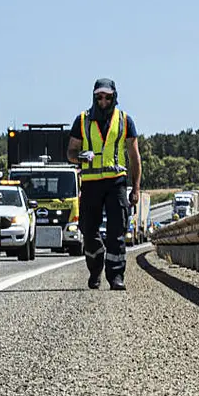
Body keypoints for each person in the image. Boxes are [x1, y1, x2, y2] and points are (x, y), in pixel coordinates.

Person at [67, 78, 141, 291]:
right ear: (94, 96)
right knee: (88, 231)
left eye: (107, 97)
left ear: (114, 96)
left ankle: (116, 276)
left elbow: (135, 158)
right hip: (90, 183)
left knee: (117, 230)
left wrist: (135, 188)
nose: (103, 100)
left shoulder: (125, 121)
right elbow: (70, 153)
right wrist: (80, 156)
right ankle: (95, 267)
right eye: (99, 96)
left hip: (116, 182)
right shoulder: (82, 120)